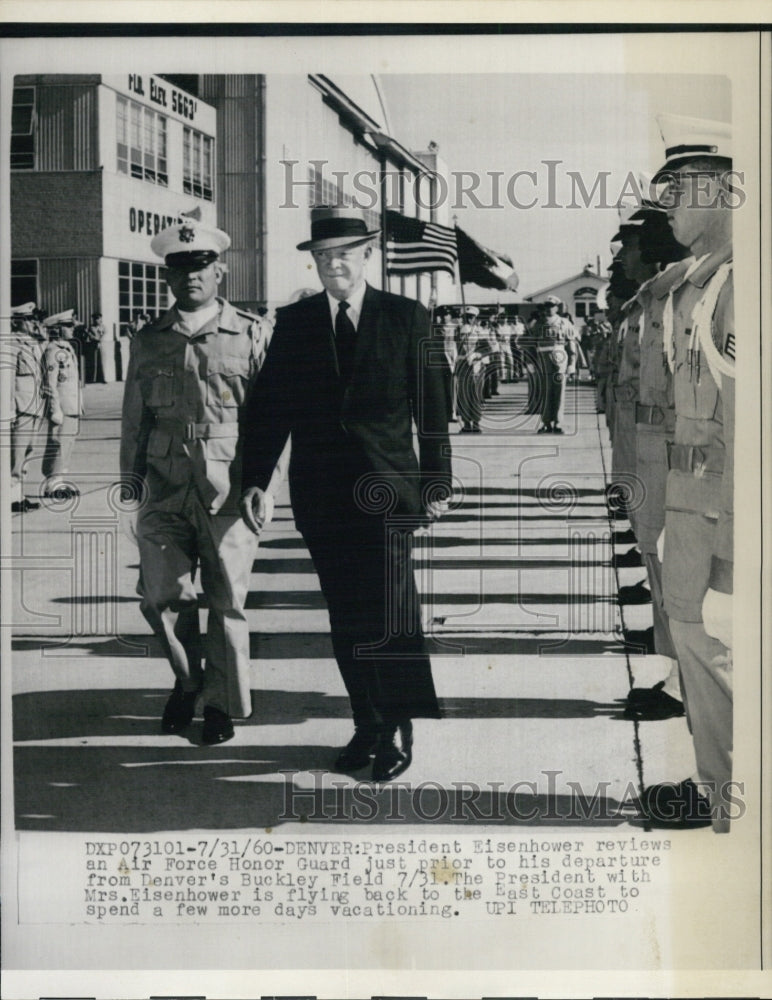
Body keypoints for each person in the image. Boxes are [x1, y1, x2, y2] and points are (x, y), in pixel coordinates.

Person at [240, 206, 451, 782]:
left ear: (367, 255)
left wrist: (437, 480)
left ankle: (397, 726)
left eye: (344, 252)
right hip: (323, 495)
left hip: (389, 489)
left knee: (388, 610)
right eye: (322, 254)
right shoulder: (297, 321)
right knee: (346, 617)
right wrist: (255, 479)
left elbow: (433, 407)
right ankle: (367, 722)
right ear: (314, 260)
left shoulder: (407, 317)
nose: (333, 262)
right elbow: (269, 409)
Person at [120, 219, 283, 745]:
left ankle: (220, 704)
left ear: (220, 272)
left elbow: (271, 419)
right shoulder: (149, 340)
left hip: (230, 483)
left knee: (226, 600)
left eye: (200, 267)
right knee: (161, 595)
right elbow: (134, 417)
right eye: (179, 269)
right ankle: (188, 682)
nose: (190, 277)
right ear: (168, 277)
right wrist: (131, 479)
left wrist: (267, 485)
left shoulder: (251, 332)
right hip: (164, 482)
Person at [639, 115, 735, 831]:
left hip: (725, 520)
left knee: (721, 657)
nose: (666, 202)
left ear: (722, 190)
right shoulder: (696, 286)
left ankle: (730, 805)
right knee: (702, 657)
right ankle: (714, 791)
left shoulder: (738, 286)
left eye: (678, 188)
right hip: (690, 511)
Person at [9, 302, 46, 513]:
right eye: (30, 319)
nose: (35, 323)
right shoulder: (12, 344)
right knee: (16, 455)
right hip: (20, 407)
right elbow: (7, 381)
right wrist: (9, 411)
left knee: (27, 452)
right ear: (17, 321)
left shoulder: (33, 343)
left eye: (35, 320)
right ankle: (12, 497)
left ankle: (19, 495)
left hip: (34, 407)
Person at [41, 318, 82, 498]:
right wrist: (54, 409)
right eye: (68, 326)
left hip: (72, 405)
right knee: (57, 443)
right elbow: (50, 383)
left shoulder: (67, 348)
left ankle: (60, 478)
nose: (72, 329)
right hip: (62, 406)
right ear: (57, 329)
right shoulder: (52, 351)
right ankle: (52, 482)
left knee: (67, 443)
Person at [532, 295, 576, 433]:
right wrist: (529, 362)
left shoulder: (565, 323)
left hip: (560, 360)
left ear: (557, 307)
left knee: (559, 391)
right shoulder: (538, 324)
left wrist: (572, 364)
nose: (549, 309)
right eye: (547, 306)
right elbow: (530, 344)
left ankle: (558, 422)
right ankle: (546, 422)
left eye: (551, 306)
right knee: (545, 391)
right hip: (543, 360)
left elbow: (571, 344)